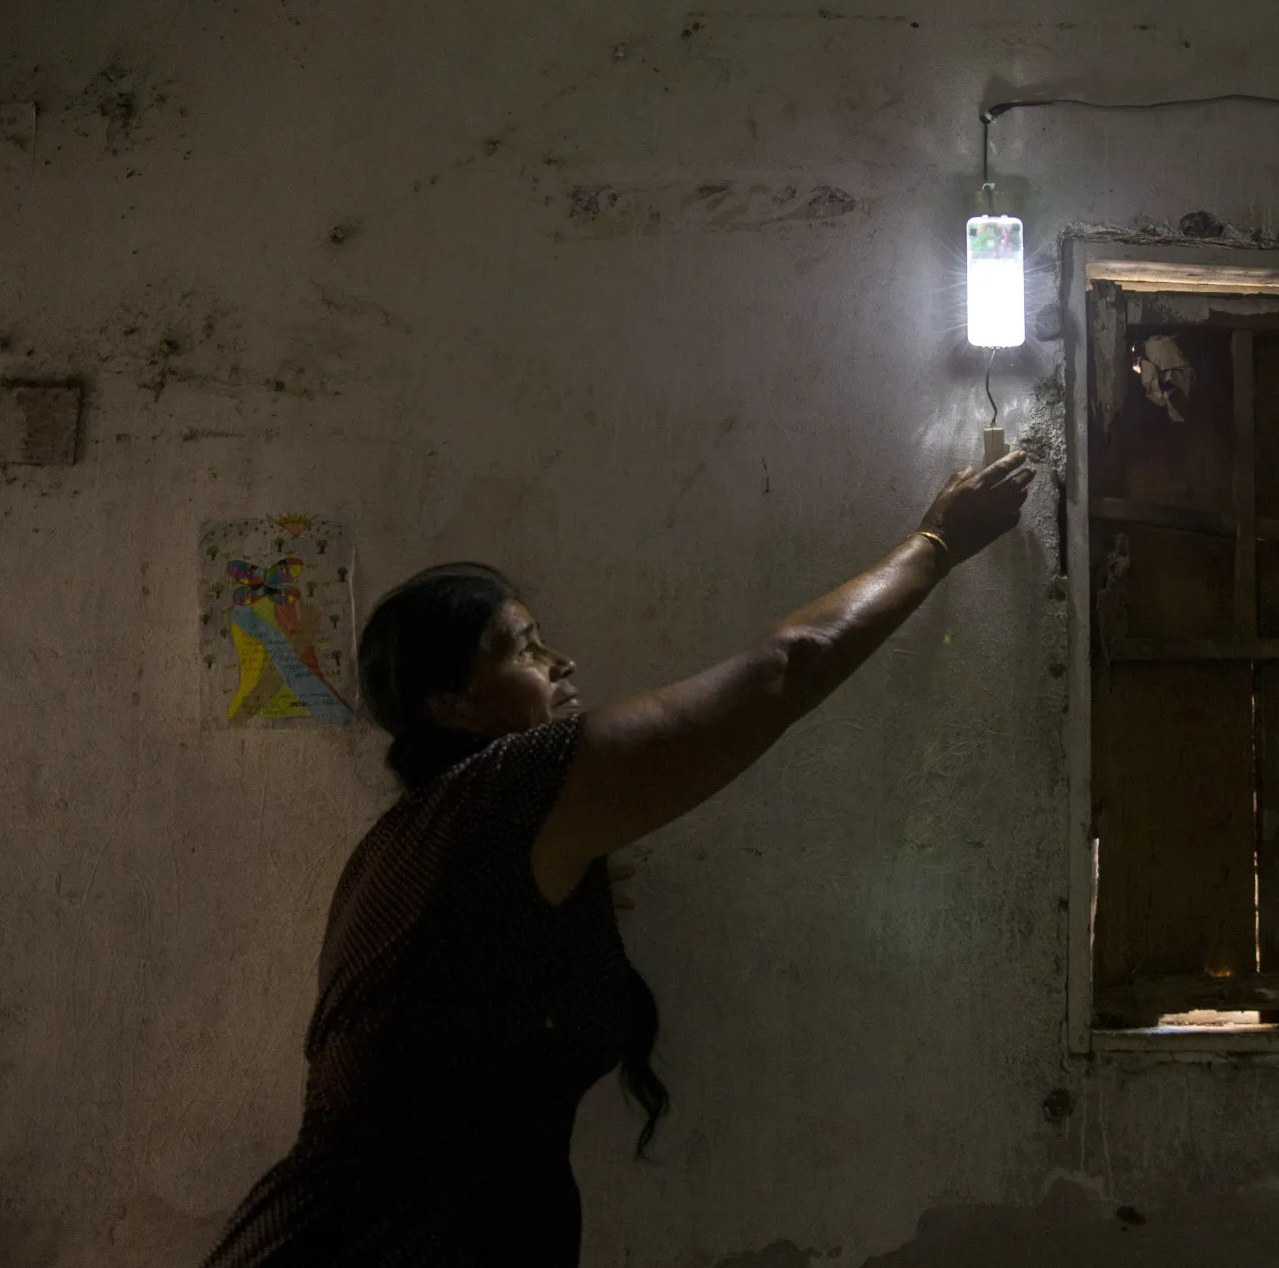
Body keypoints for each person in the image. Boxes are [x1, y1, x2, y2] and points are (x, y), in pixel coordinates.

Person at [202, 451, 1037, 1267]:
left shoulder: (425, 839)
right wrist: (935, 543)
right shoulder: (504, 793)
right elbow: (786, 669)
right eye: (523, 648)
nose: (561, 663)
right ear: (450, 704)